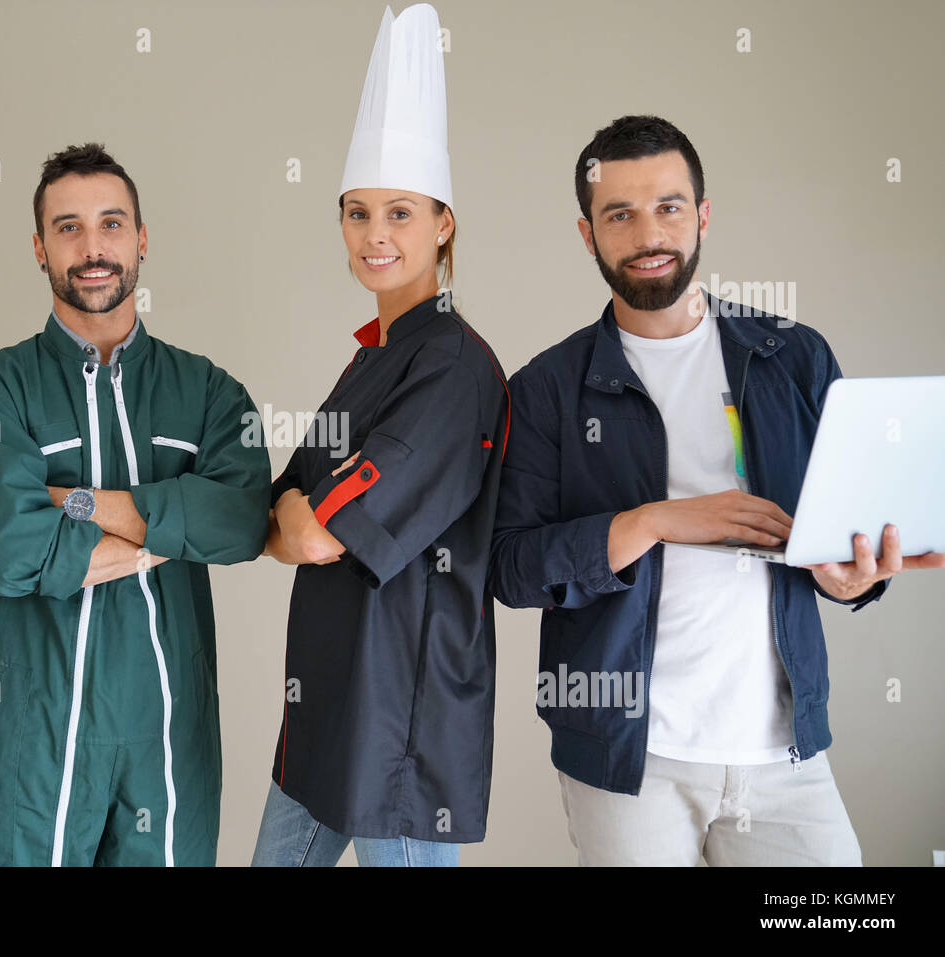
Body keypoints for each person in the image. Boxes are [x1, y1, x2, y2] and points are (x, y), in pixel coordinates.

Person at [488, 114, 945, 866]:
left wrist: (853, 576)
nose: (648, 233)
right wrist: (657, 520)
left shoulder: (793, 357)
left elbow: (847, 529)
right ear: (586, 233)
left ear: (702, 214)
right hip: (629, 757)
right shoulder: (546, 389)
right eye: (619, 214)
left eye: (668, 206)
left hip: (783, 752)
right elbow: (511, 566)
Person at [0, 143, 271, 866]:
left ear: (142, 239)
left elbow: (247, 520)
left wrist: (78, 502)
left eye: (111, 224)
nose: (92, 247)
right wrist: (174, 525)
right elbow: (7, 547)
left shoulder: (210, 393)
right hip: (30, 723)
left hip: (168, 726)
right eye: (68, 227)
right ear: (39, 247)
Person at [252, 3, 509, 867]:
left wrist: (300, 516)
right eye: (357, 213)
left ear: (443, 223)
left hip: (399, 720)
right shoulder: (376, 356)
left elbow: (315, 526)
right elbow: (273, 519)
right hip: (329, 706)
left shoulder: (453, 370)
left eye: (400, 213)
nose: (375, 236)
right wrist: (292, 516)